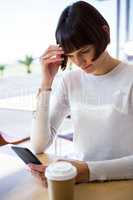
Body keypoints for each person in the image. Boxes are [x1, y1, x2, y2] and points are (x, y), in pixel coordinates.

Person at [28, 1, 133, 187]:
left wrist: (86, 171)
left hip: (120, 184)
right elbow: (38, 144)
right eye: (70, 55)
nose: (79, 62)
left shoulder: (129, 79)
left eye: (84, 51)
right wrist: (46, 84)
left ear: (105, 32)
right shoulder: (70, 81)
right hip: (77, 182)